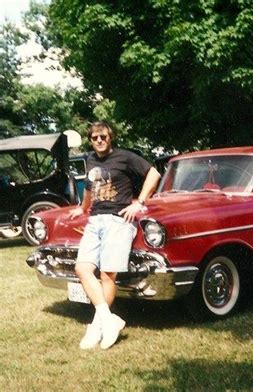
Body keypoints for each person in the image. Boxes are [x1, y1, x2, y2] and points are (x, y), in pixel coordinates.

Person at [69, 121, 160, 350]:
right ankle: (108, 320)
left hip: (118, 220)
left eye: (103, 137)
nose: (99, 141)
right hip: (95, 221)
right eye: (94, 138)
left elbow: (154, 173)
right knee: (82, 268)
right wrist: (82, 207)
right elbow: (90, 188)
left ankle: (97, 326)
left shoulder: (125, 157)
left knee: (108, 275)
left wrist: (139, 202)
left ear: (111, 138)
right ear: (90, 140)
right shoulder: (90, 159)